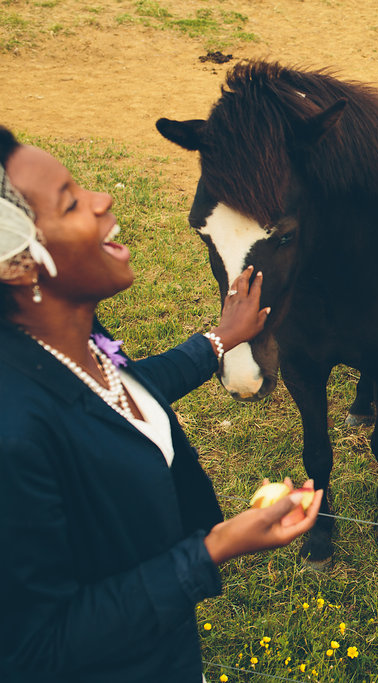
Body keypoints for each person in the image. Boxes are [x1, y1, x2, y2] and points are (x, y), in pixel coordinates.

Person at [0, 124, 324, 683]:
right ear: (20, 263)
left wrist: (219, 341)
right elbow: (35, 651)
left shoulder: (64, 346)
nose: (103, 202)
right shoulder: (14, 433)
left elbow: (118, 394)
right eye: (73, 203)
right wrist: (214, 550)